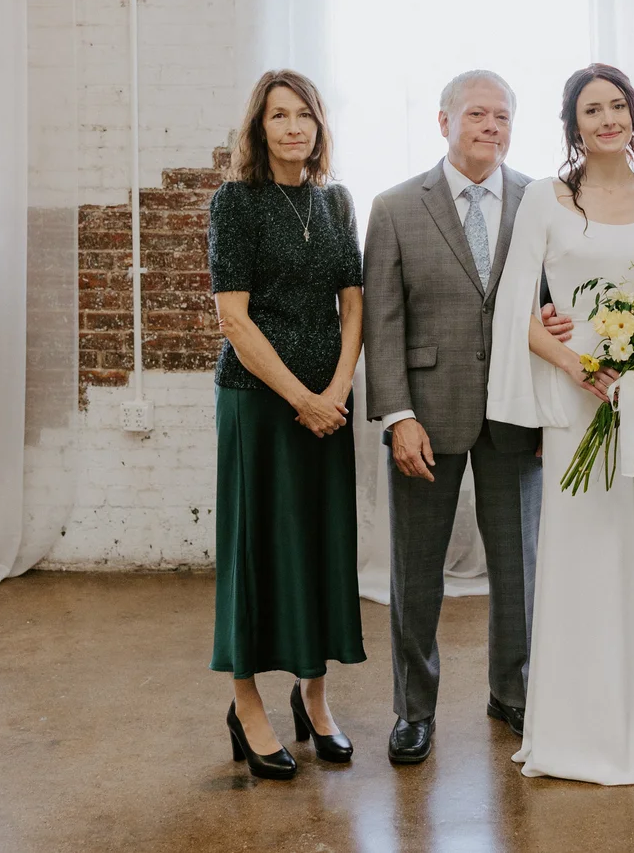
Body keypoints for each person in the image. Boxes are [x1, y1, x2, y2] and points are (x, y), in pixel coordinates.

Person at [487, 64, 634, 785]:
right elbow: (517, 309)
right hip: (574, 411)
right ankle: (572, 731)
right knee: (576, 566)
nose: (606, 119)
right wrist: (576, 367)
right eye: (590, 109)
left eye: (617, 107)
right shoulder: (548, 198)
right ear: (573, 125)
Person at [361, 69, 572, 766]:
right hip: (427, 414)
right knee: (416, 573)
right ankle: (413, 710)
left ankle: (511, 692)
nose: (491, 126)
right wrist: (397, 415)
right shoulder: (395, 208)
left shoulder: (539, 201)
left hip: (516, 414)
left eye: (502, 116)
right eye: (477, 114)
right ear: (444, 121)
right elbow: (383, 323)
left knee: (518, 569)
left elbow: (552, 310)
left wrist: (550, 412)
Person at [208, 69, 365, 780]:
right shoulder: (235, 204)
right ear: (259, 128)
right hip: (259, 404)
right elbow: (233, 318)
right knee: (256, 549)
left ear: (319, 125)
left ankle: (315, 697)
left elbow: (353, 304)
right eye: (279, 116)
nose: (293, 127)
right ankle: (245, 704)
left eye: (304, 114)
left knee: (318, 548)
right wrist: (300, 396)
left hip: (325, 408)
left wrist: (334, 389)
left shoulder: (336, 202)